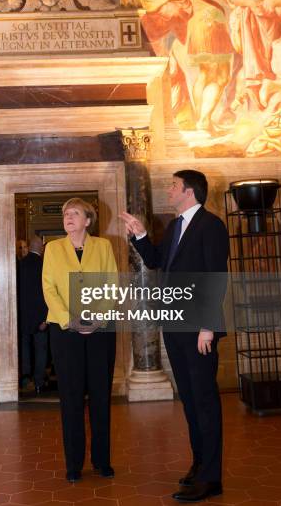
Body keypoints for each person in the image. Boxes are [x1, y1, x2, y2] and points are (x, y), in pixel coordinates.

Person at [120, 170, 229, 503]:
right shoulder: (174, 226)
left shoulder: (211, 226)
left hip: (199, 330)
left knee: (205, 402)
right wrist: (139, 235)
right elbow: (155, 261)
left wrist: (208, 325)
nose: (169, 190)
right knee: (192, 403)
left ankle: (211, 479)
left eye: (173, 186)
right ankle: (199, 467)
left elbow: (216, 276)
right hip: (176, 326)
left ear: (190, 192)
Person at [42, 198, 118, 483]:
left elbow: (112, 283)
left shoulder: (103, 246)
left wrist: (98, 318)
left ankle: (102, 460)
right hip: (65, 332)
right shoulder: (53, 248)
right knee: (71, 398)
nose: (68, 217)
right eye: (65, 214)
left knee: (100, 395)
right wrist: (68, 319)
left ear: (88, 220)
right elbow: (49, 288)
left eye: (75, 213)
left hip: (100, 331)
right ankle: (73, 464)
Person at [17, 235, 48, 394]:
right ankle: (38, 382)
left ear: (29, 247)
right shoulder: (44, 266)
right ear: (41, 248)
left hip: (22, 316)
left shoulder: (20, 265)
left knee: (25, 347)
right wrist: (45, 318)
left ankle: (25, 378)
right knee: (40, 349)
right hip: (40, 317)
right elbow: (47, 294)